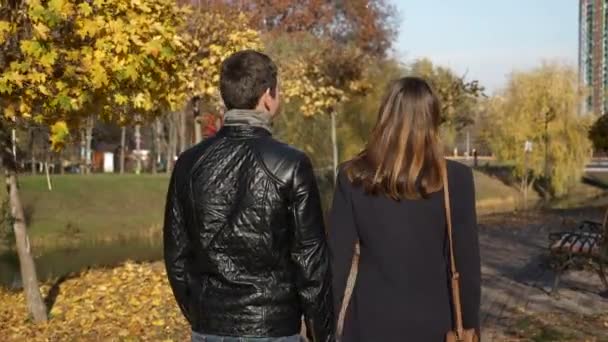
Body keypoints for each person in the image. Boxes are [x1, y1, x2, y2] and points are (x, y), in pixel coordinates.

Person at [164, 50, 335, 342]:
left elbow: (177, 256)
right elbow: (310, 263)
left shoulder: (190, 164)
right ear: (268, 96)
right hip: (273, 328)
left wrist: (201, 314)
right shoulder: (291, 164)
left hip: (210, 328)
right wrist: (323, 335)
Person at [329, 77, 481, 342]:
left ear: (385, 116)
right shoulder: (455, 179)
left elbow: (336, 262)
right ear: (432, 118)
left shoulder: (353, 176)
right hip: (435, 323)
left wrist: (325, 328)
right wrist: (470, 327)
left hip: (370, 322)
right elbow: (466, 265)